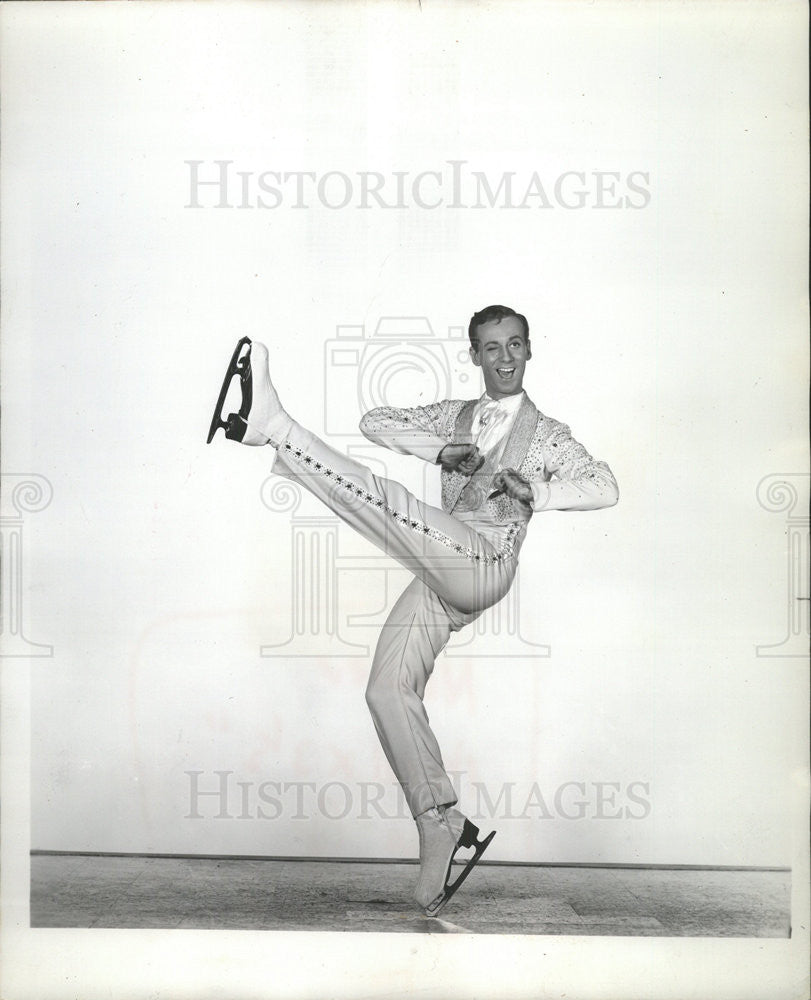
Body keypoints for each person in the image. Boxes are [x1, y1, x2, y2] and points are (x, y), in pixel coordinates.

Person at [207, 304, 619, 916]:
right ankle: (440, 821)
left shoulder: (550, 435)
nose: (504, 359)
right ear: (473, 355)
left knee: (388, 506)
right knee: (386, 688)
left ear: (530, 350)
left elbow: (606, 485)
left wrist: (541, 491)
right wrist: (440, 451)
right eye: (491, 348)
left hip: (484, 563)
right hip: (443, 559)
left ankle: (274, 428)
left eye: (515, 346)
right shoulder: (456, 415)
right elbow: (376, 421)